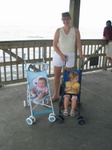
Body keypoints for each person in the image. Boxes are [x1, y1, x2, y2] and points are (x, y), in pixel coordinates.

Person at [52, 12, 84, 101]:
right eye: (64, 19)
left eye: (67, 19)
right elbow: (54, 45)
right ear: (62, 20)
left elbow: (78, 43)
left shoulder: (75, 30)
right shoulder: (58, 30)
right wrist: (61, 55)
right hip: (59, 54)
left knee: (70, 76)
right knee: (57, 76)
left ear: (70, 19)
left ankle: (68, 95)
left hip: (70, 54)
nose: (66, 21)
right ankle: (56, 95)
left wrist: (81, 54)